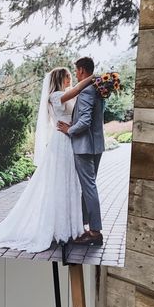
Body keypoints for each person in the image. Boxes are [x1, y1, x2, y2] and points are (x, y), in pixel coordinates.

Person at [0, 67, 96, 252]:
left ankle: (70, 228)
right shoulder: (55, 96)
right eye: (67, 77)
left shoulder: (65, 95)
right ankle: (61, 230)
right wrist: (94, 78)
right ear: (58, 79)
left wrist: (72, 126)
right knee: (60, 184)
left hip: (69, 140)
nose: (70, 80)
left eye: (71, 77)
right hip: (61, 143)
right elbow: (77, 89)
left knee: (69, 183)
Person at [57, 57, 105, 247]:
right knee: (89, 187)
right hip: (97, 145)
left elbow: (84, 122)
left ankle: (94, 231)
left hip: (84, 147)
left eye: (76, 71)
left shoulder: (86, 91)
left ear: (82, 71)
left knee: (89, 188)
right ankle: (86, 227)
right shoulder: (99, 89)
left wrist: (69, 130)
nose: (75, 74)